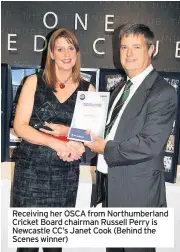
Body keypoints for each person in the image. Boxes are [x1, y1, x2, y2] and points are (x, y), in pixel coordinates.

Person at [85, 23, 177, 252]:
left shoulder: (162, 92)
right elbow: (107, 131)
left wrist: (103, 148)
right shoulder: (119, 90)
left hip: (138, 197)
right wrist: (76, 135)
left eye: (136, 47)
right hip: (111, 191)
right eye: (124, 47)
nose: (128, 54)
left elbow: (149, 144)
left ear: (152, 49)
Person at [12, 28, 95, 252]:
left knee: (54, 247)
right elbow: (20, 126)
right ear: (51, 54)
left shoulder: (89, 89)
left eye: (71, 48)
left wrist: (73, 137)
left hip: (65, 175)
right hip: (31, 174)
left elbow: (91, 136)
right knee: (26, 247)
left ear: (77, 53)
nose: (66, 53)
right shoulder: (33, 82)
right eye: (60, 48)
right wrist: (55, 142)